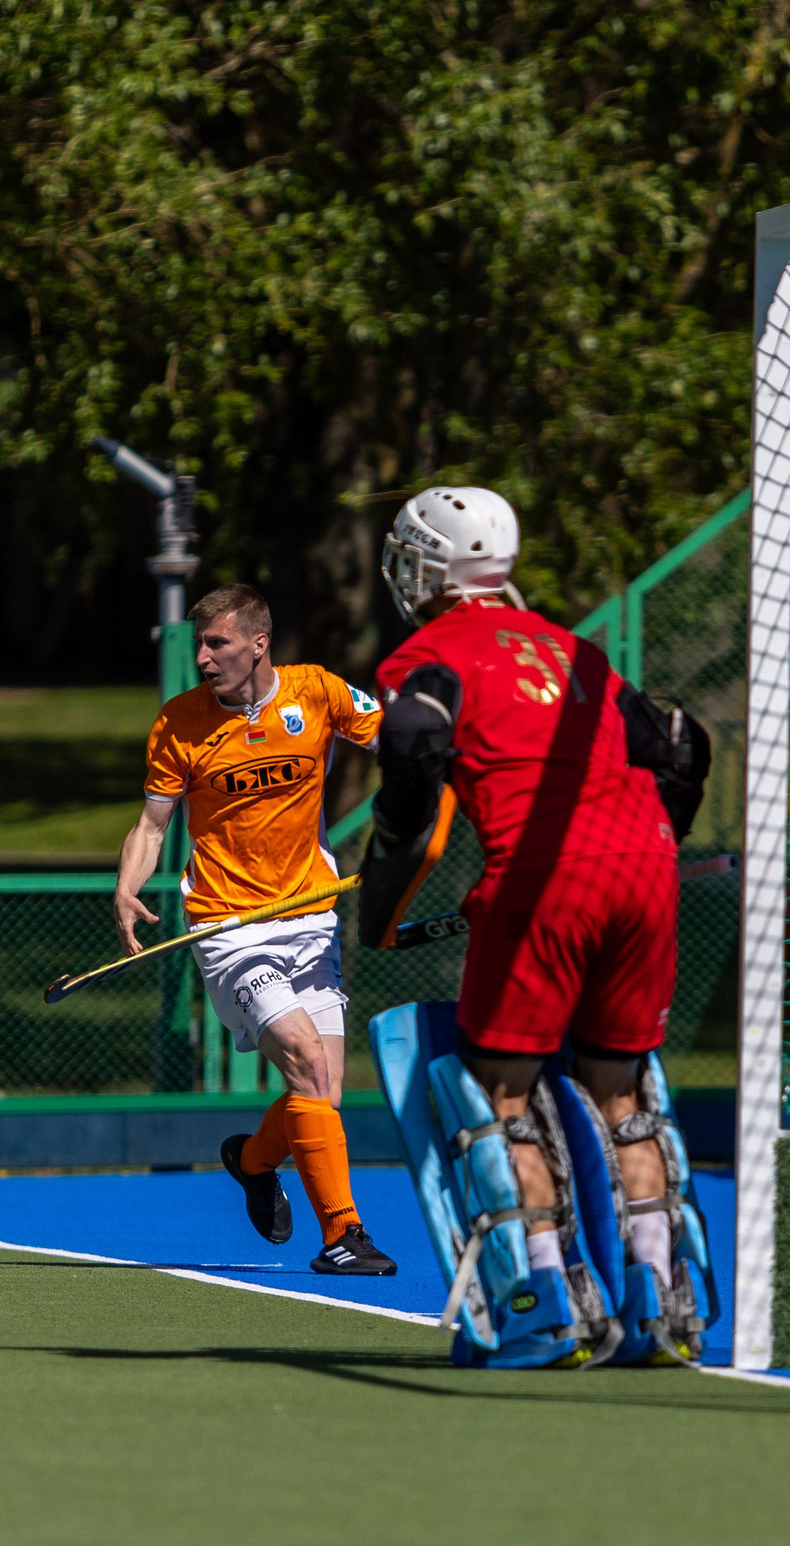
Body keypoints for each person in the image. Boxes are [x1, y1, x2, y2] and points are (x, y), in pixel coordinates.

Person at [359, 487, 704, 1328]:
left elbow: (412, 741)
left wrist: (385, 875)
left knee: (500, 1093)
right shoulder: (576, 650)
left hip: (542, 874)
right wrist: (646, 851)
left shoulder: (432, 650)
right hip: (647, 863)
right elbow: (679, 752)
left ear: (432, 568)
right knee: (622, 1095)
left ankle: (545, 1295)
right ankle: (660, 1296)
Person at [112, 586, 396, 1276]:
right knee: (303, 1058)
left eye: (218, 644)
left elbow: (401, 741)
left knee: (321, 1092)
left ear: (259, 642)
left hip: (309, 917)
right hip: (230, 926)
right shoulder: (180, 723)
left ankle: (252, 1157)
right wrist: (127, 883)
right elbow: (152, 825)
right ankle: (343, 1236)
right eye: (199, 645)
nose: (204, 658)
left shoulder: (319, 693)